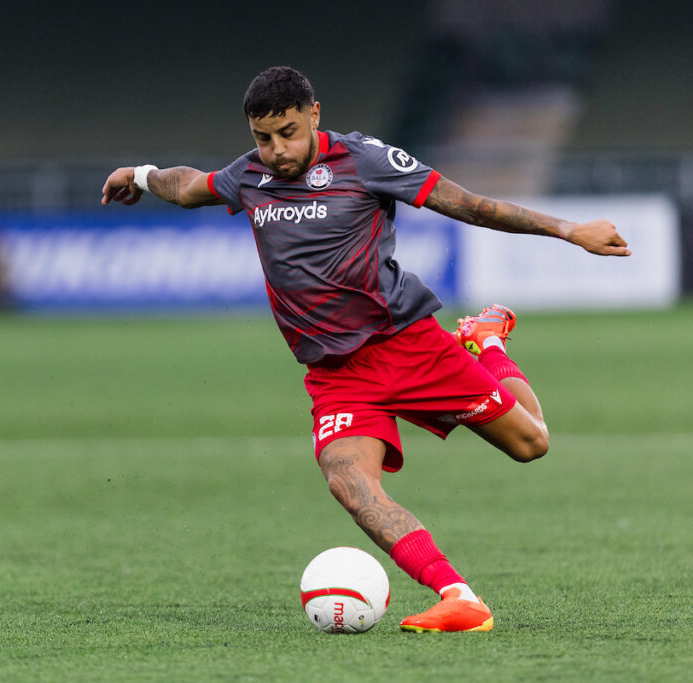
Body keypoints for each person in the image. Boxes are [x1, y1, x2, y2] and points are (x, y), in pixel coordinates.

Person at [100, 66, 630, 632]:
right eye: (263, 138)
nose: (277, 150)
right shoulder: (249, 175)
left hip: (409, 346)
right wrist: (141, 172)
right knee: (348, 482)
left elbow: (470, 205)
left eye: (289, 132)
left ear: (315, 114)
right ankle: (459, 597)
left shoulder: (366, 161)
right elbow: (188, 186)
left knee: (532, 445)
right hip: (336, 376)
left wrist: (571, 231)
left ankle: (488, 343)